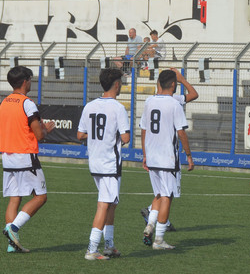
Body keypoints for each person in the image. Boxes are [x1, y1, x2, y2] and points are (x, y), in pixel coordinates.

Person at [0, 66, 55, 253]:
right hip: (25, 156)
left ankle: (11, 244)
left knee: (14, 198)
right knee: (41, 196)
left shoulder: (4, 102)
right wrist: (47, 129)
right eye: (30, 79)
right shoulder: (28, 103)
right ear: (25, 81)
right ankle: (13, 228)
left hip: (7, 157)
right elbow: (39, 135)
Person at [77, 68, 130, 261]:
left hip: (95, 162)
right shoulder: (117, 108)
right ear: (116, 84)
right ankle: (91, 249)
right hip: (109, 164)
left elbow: (80, 135)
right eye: (121, 82)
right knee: (104, 204)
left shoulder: (89, 106)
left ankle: (109, 245)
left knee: (111, 204)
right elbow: (125, 137)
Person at [140, 69, 194, 250]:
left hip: (153, 155)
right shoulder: (174, 104)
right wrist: (189, 155)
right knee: (167, 196)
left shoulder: (149, 101)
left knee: (159, 194)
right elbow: (181, 133)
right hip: (168, 158)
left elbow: (143, 129)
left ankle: (150, 226)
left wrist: (145, 154)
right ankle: (159, 240)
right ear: (173, 84)